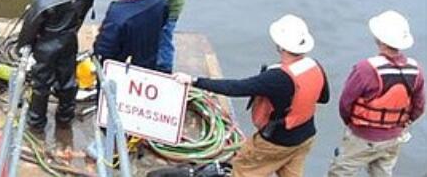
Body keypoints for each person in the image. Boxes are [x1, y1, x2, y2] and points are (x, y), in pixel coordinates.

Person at [176, 14, 330, 177]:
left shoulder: (277, 77)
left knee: (243, 168)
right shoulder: (314, 66)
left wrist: (195, 80)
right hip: (305, 137)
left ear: (280, 46)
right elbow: (323, 98)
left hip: (276, 141)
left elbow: (236, 88)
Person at [327, 10, 423, 177]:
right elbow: (419, 106)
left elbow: (345, 103)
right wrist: (401, 124)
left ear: (379, 39)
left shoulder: (366, 68)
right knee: (383, 172)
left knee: (341, 172)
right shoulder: (416, 70)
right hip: (394, 136)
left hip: (362, 135)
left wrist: (352, 124)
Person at [14, 0, 94, 131]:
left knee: (41, 84)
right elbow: (81, 16)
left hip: (46, 45)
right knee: (68, 80)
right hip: (69, 41)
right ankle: (65, 117)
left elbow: (30, 27)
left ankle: (36, 121)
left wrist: (23, 48)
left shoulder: (43, 0)